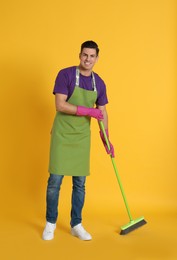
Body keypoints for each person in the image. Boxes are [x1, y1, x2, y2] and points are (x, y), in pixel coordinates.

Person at [42, 40, 114, 241]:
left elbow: (103, 111)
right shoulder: (65, 74)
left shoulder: (98, 83)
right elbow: (60, 105)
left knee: (80, 184)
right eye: (85, 55)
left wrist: (106, 138)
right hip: (62, 134)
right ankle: (50, 223)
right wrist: (86, 110)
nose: (88, 59)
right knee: (54, 181)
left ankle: (76, 224)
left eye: (92, 56)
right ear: (79, 55)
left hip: (82, 137)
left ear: (97, 58)